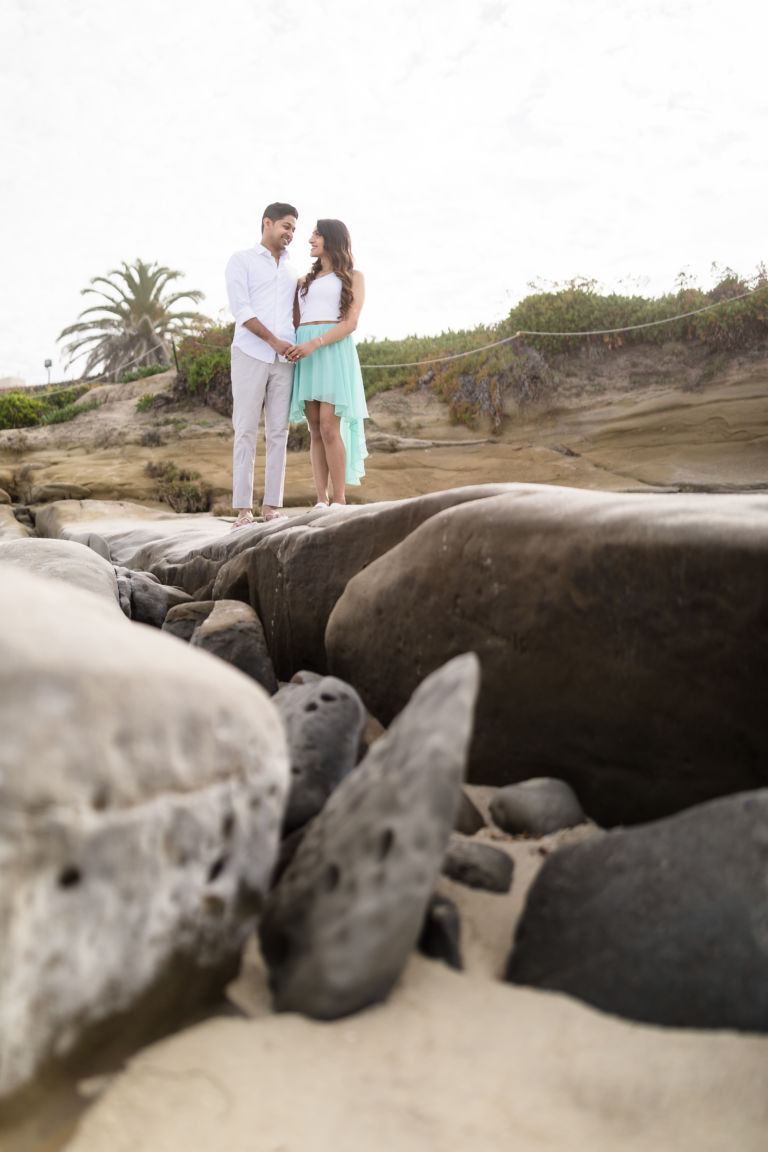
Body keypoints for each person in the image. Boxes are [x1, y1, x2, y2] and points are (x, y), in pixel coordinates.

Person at [225, 201, 299, 528]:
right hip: (250, 354)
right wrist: (273, 341)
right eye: (286, 226)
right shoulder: (241, 261)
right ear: (267, 223)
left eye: (294, 229)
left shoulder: (293, 269)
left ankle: (271, 506)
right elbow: (241, 310)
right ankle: (243, 511)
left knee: (278, 431)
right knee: (244, 429)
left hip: (285, 359)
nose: (291, 234)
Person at [287, 219, 368, 508]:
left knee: (330, 427)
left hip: (331, 349)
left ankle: (340, 499)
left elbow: (351, 323)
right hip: (305, 352)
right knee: (315, 429)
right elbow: (295, 320)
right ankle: (320, 499)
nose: (310, 239)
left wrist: (315, 343)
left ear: (331, 239)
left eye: (317, 235)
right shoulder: (302, 282)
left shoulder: (353, 276)